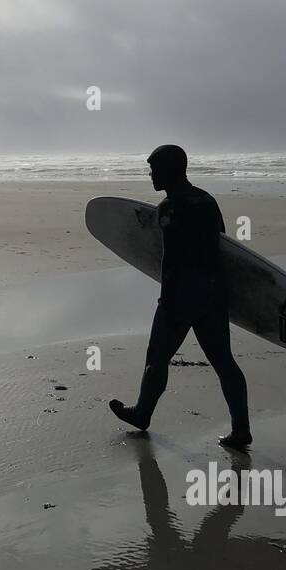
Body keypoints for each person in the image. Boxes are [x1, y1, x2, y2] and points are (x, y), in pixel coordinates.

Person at [108, 144, 251, 449]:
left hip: (182, 293)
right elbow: (223, 247)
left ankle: (142, 414)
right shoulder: (206, 201)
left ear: (170, 170)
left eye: (154, 169)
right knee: (224, 362)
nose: (150, 175)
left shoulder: (171, 209)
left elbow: (171, 257)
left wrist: (168, 298)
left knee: (157, 358)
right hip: (213, 291)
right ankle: (242, 428)